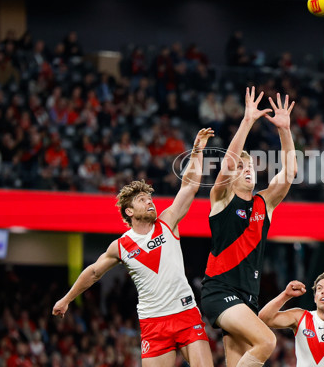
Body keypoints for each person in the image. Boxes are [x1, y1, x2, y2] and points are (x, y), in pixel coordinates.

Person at [52, 128, 215, 367]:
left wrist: (197, 150)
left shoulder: (167, 221)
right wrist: (66, 299)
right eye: (142, 200)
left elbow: (189, 186)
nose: (150, 202)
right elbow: (94, 272)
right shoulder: (121, 246)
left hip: (186, 313)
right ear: (129, 212)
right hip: (153, 322)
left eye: (150, 199)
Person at [200, 86, 297, 367]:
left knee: (240, 361)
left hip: (247, 297)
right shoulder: (220, 198)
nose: (248, 171)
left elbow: (289, 172)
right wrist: (247, 121)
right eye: (243, 169)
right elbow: (228, 164)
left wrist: (285, 131)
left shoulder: (263, 203)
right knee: (267, 341)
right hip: (220, 292)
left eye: (251, 168)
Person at [258, 271, 324, 367]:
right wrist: (285, 295)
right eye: (319, 289)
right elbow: (264, 318)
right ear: (315, 298)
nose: (323, 291)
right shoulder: (300, 316)